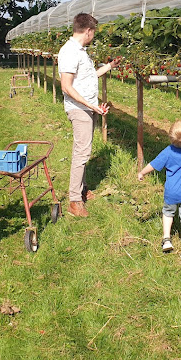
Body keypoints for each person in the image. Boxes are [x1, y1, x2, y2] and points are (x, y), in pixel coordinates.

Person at [58, 13, 120, 217]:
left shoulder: (81, 51)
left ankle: (82, 190)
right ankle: (74, 200)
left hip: (87, 108)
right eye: (93, 32)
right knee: (81, 153)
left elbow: (89, 76)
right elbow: (66, 87)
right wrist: (90, 106)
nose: (93, 36)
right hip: (79, 109)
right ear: (88, 31)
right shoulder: (69, 52)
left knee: (84, 150)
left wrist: (110, 66)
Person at [137, 89, 181, 261]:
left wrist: (141, 172)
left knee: (168, 213)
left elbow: (153, 165)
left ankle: (166, 239)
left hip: (171, 191)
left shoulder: (167, 152)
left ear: (170, 137)